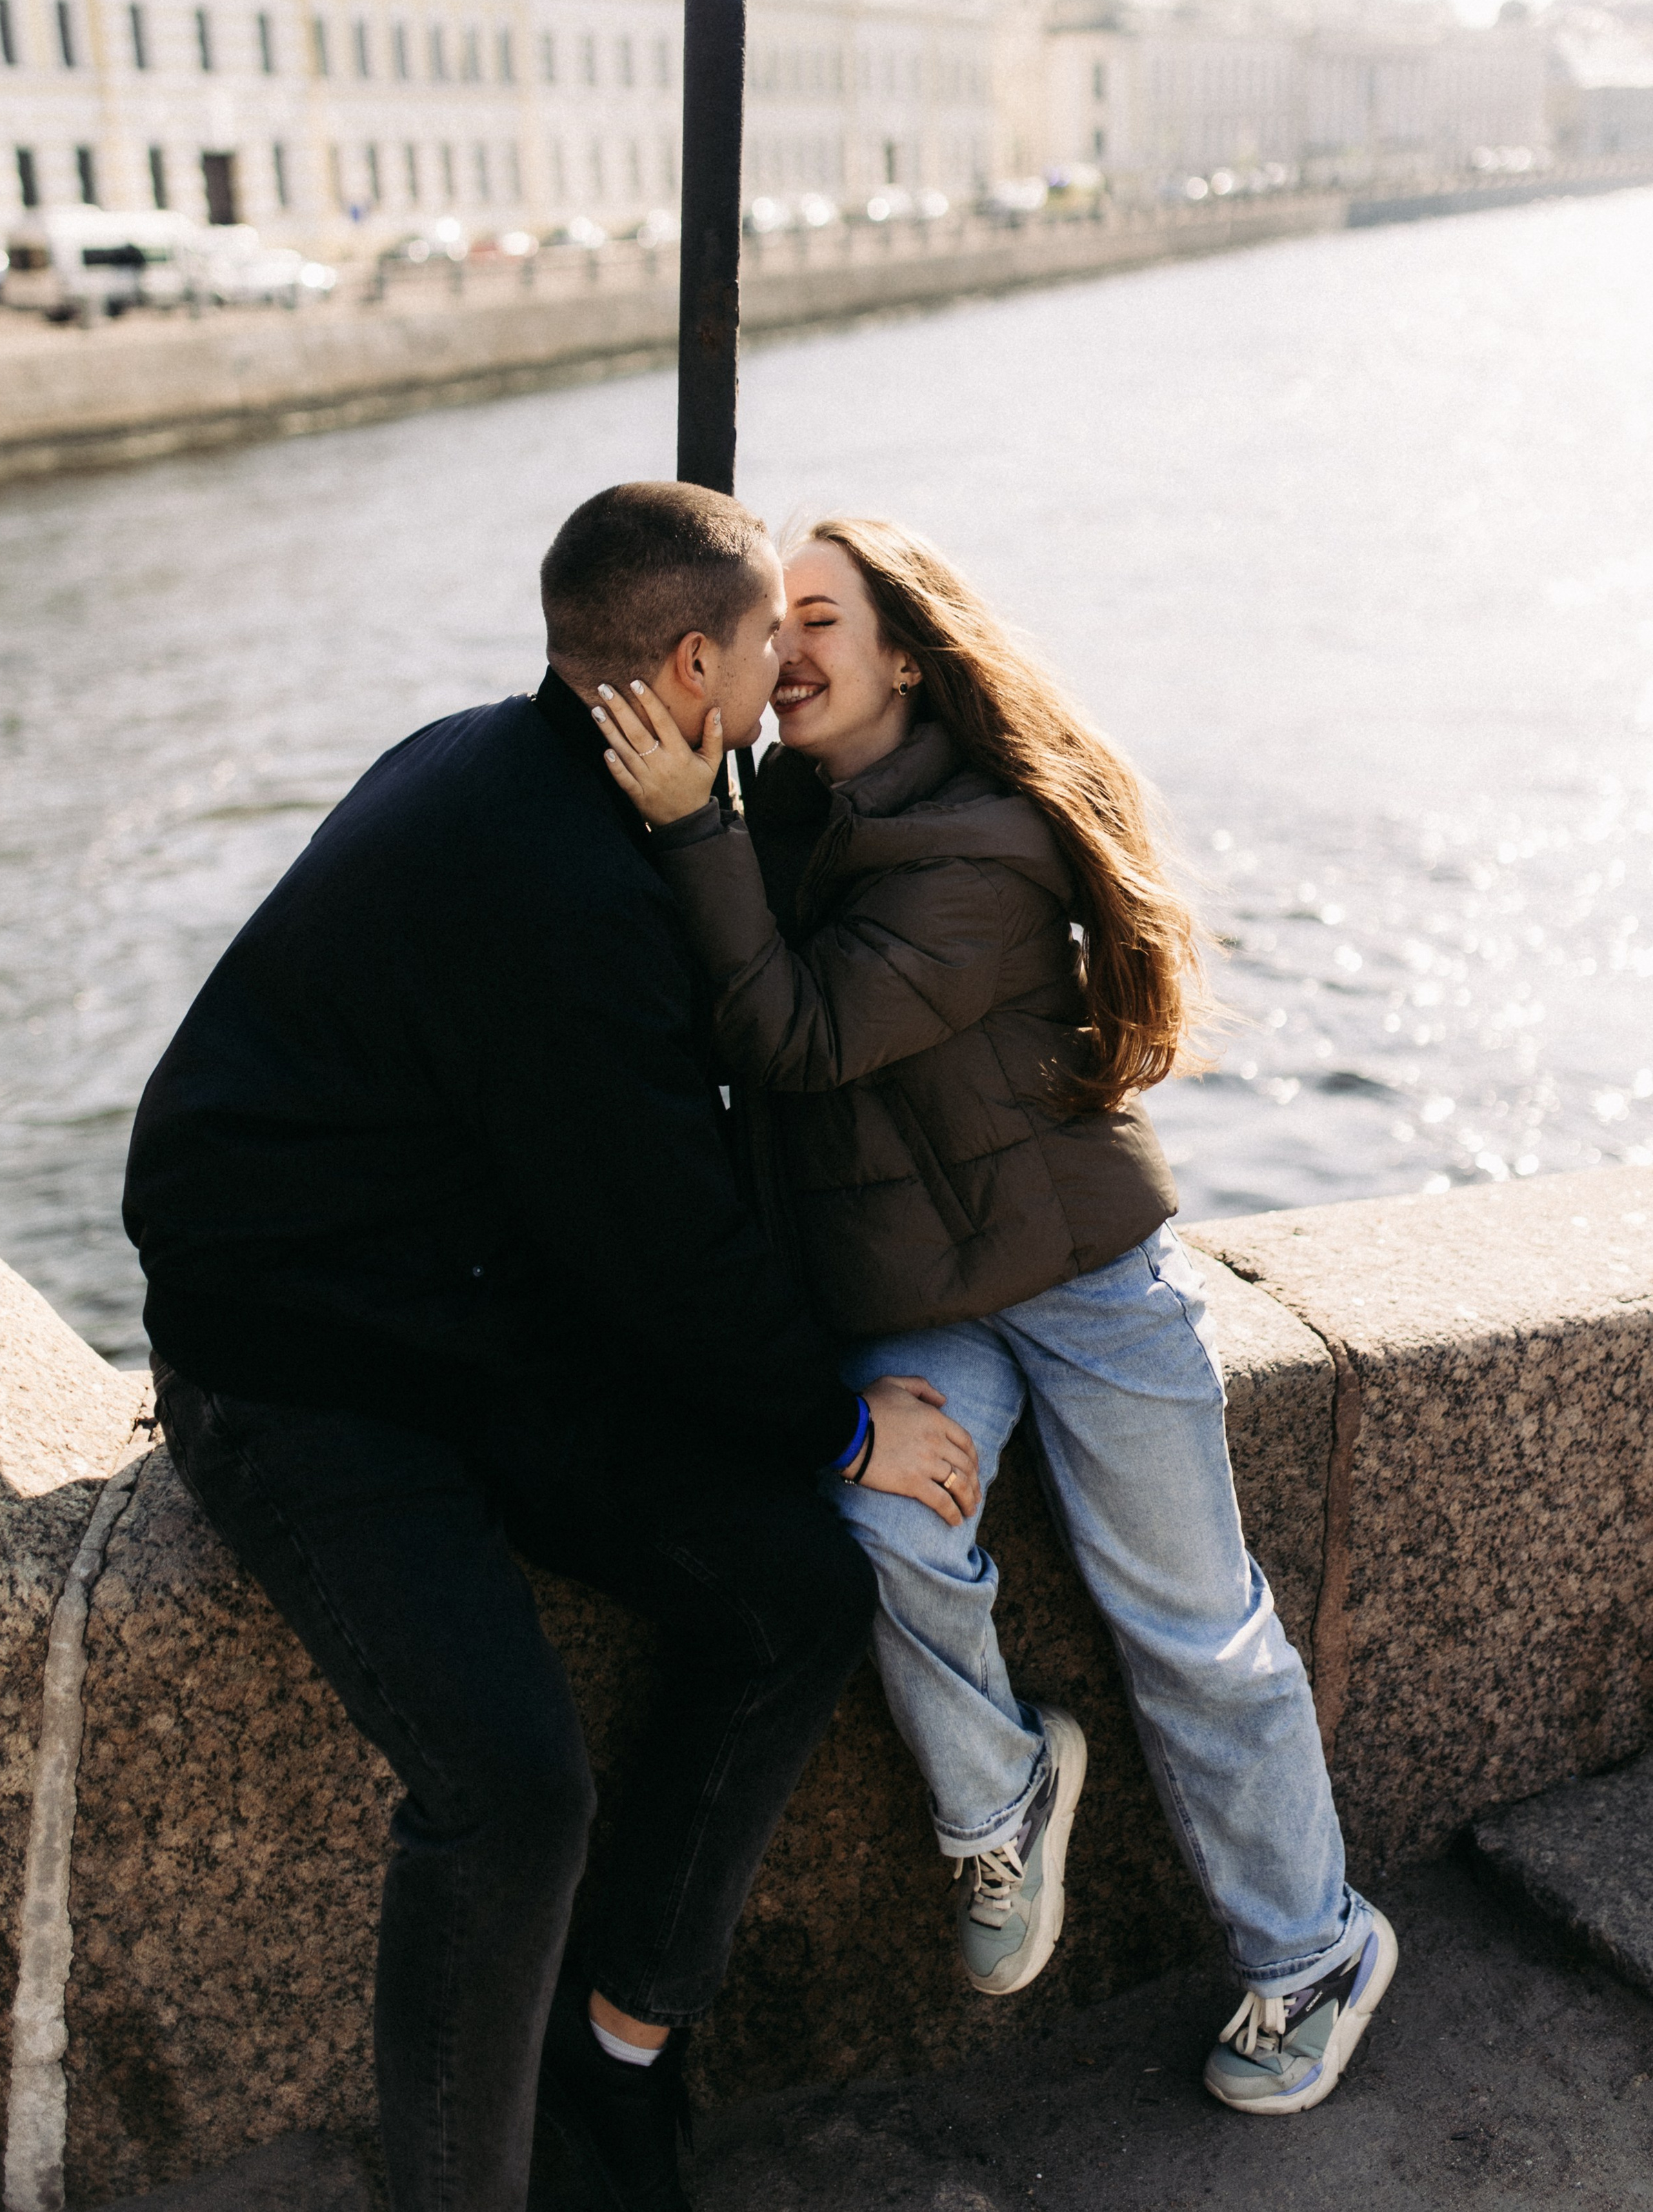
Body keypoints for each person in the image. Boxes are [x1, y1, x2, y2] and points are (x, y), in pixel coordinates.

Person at [122, 482, 981, 2212]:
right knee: (509, 1798)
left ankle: (617, 2050)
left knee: (788, 1598)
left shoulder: (511, 760)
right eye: (758, 647)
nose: (776, 680)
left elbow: (619, 1218)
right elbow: (658, 1238)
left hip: (464, 1316)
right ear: (684, 662)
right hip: (300, 1371)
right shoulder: (547, 879)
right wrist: (834, 1428)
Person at [592, 512, 1397, 2118]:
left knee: (1192, 1628)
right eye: (771, 620)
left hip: (1083, 1284)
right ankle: (1003, 1795)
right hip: (912, 1291)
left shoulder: (981, 841)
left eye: (823, 617)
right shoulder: (796, 812)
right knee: (877, 1515)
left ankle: (1310, 1950)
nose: (789, 647)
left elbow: (800, 1035)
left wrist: (693, 836)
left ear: (907, 651)